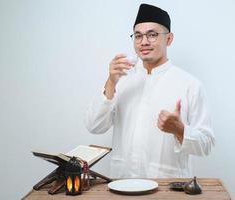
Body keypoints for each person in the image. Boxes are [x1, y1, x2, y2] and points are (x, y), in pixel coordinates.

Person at [85, 3, 215, 178]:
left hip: (167, 187)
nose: (144, 42)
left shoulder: (190, 85)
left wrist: (180, 130)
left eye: (152, 35)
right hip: (122, 183)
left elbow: (206, 145)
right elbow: (95, 126)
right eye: (138, 36)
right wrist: (110, 82)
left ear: (169, 39)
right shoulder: (121, 80)